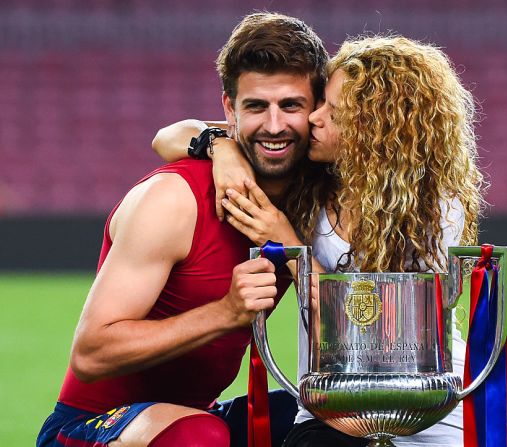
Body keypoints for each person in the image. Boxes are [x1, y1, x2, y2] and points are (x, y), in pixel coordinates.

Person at [152, 35, 507, 447]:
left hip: (423, 405)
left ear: (372, 128)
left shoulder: (432, 203)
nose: (314, 117)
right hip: (332, 408)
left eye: (333, 111)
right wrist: (219, 146)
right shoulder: (312, 178)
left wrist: (284, 240)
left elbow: (377, 325)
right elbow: (168, 136)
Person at [36, 12, 329, 447]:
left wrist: (288, 241)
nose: (273, 125)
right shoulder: (174, 199)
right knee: (201, 437)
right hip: (92, 426)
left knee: (337, 418)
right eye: (255, 106)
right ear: (229, 108)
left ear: (317, 110)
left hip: (193, 416)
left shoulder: (309, 199)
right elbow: (90, 353)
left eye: (290, 105)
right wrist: (225, 313)